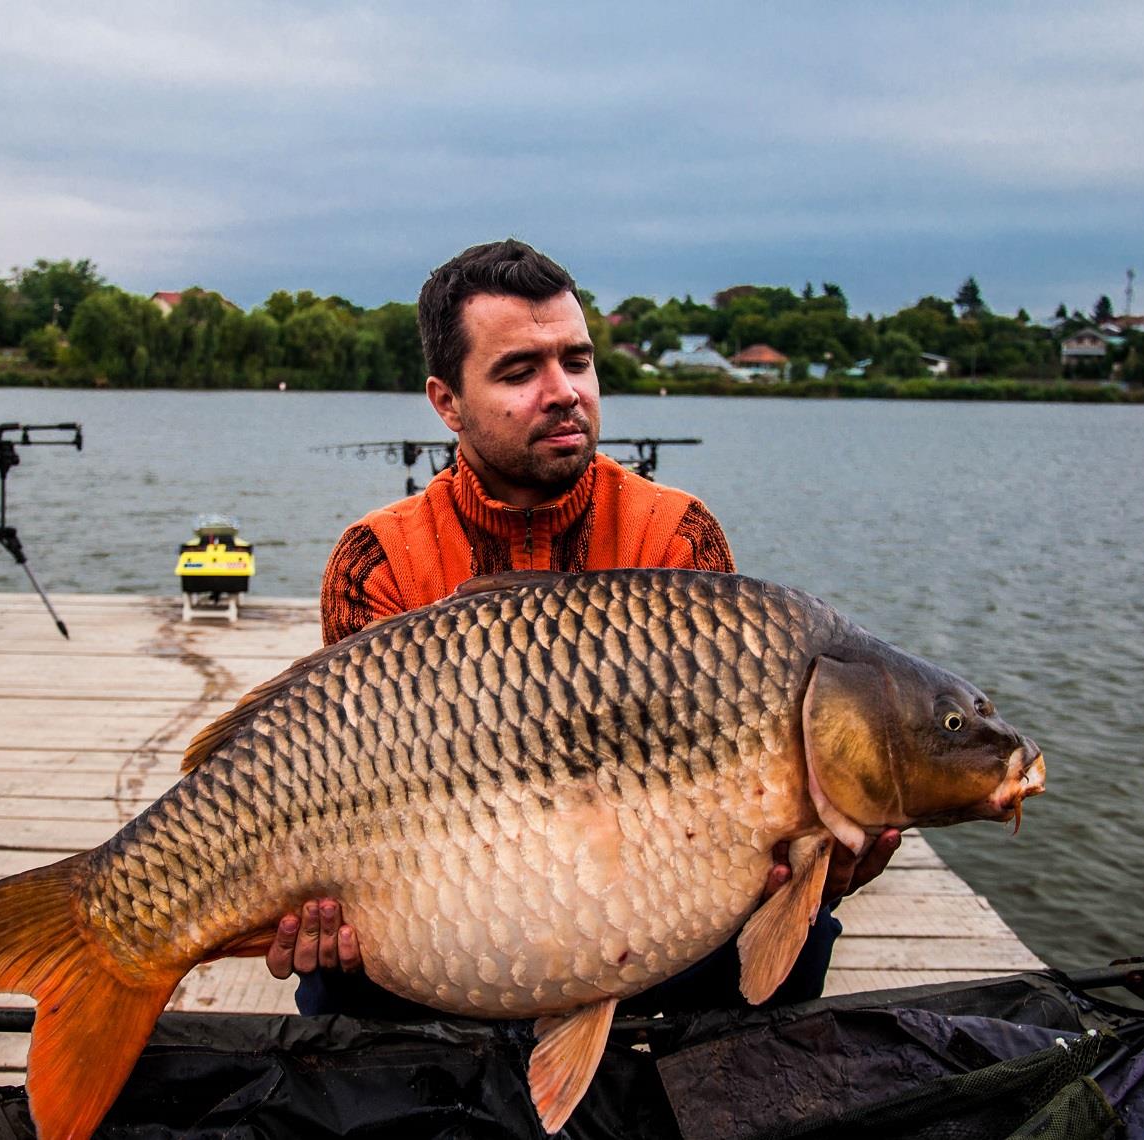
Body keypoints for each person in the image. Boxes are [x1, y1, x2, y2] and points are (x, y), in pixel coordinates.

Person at [268, 239, 900, 1018]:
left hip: (649, 898)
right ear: (446, 401)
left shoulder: (676, 535)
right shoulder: (379, 560)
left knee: (802, 933)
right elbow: (349, 783)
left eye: (578, 360)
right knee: (336, 972)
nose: (564, 392)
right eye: (519, 371)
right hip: (449, 907)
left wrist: (812, 864)